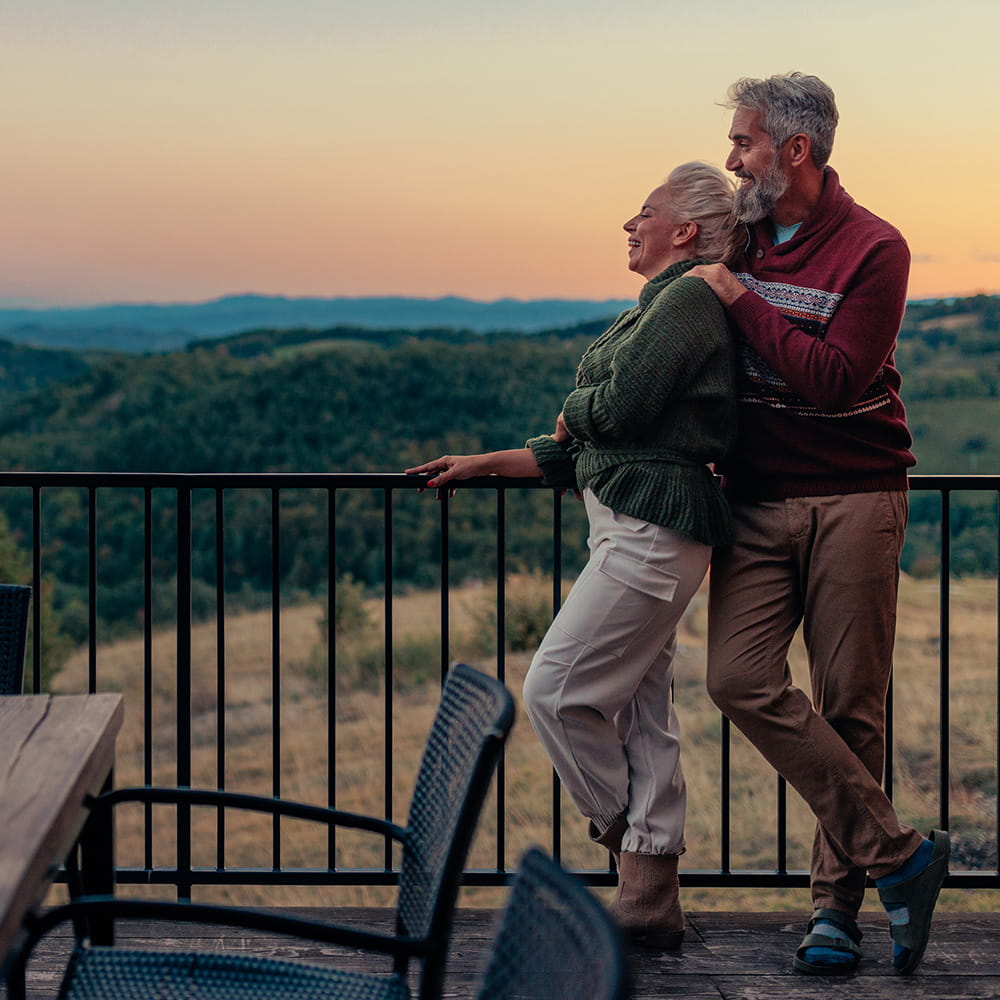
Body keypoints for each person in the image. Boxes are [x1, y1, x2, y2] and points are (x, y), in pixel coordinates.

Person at [406, 161, 740, 950]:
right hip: (641, 532)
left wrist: (571, 414)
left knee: (554, 690)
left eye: (645, 212)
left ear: (684, 231)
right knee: (641, 712)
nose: (630, 224)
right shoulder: (661, 306)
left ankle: (635, 847)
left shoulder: (687, 299)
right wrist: (486, 463)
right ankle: (650, 904)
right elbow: (589, 446)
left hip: (649, 539)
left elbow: (614, 412)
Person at [688, 72, 949, 977]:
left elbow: (836, 377)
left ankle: (835, 911)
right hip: (756, 500)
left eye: (746, 142)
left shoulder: (876, 249)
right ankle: (904, 857)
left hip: (856, 495)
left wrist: (738, 299)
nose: (734, 158)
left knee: (850, 703)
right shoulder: (739, 239)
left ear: (794, 151)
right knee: (736, 678)